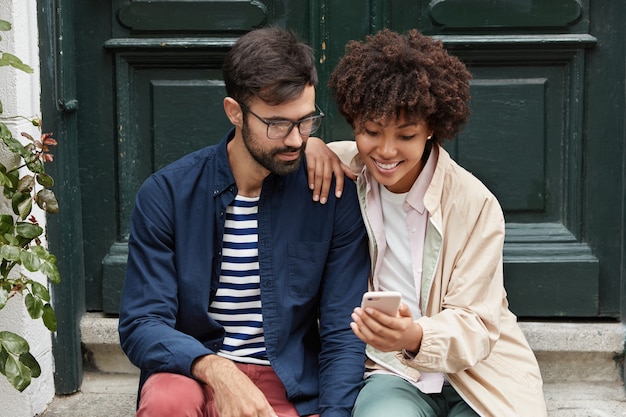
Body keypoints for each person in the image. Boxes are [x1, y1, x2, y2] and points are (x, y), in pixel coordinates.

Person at [118, 26, 370, 417]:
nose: (295, 140)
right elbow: (142, 322)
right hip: (197, 374)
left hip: (289, 382)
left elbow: (342, 332)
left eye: (306, 122)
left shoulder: (329, 197)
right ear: (235, 112)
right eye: (277, 124)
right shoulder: (167, 194)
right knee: (168, 400)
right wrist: (218, 370)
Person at [306, 28, 547, 417]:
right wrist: (309, 145)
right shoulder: (341, 168)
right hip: (389, 372)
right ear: (353, 123)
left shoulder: (474, 202)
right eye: (370, 132)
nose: (385, 151)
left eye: (405, 135)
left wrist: (415, 336)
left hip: (477, 375)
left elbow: (476, 321)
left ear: (431, 128)